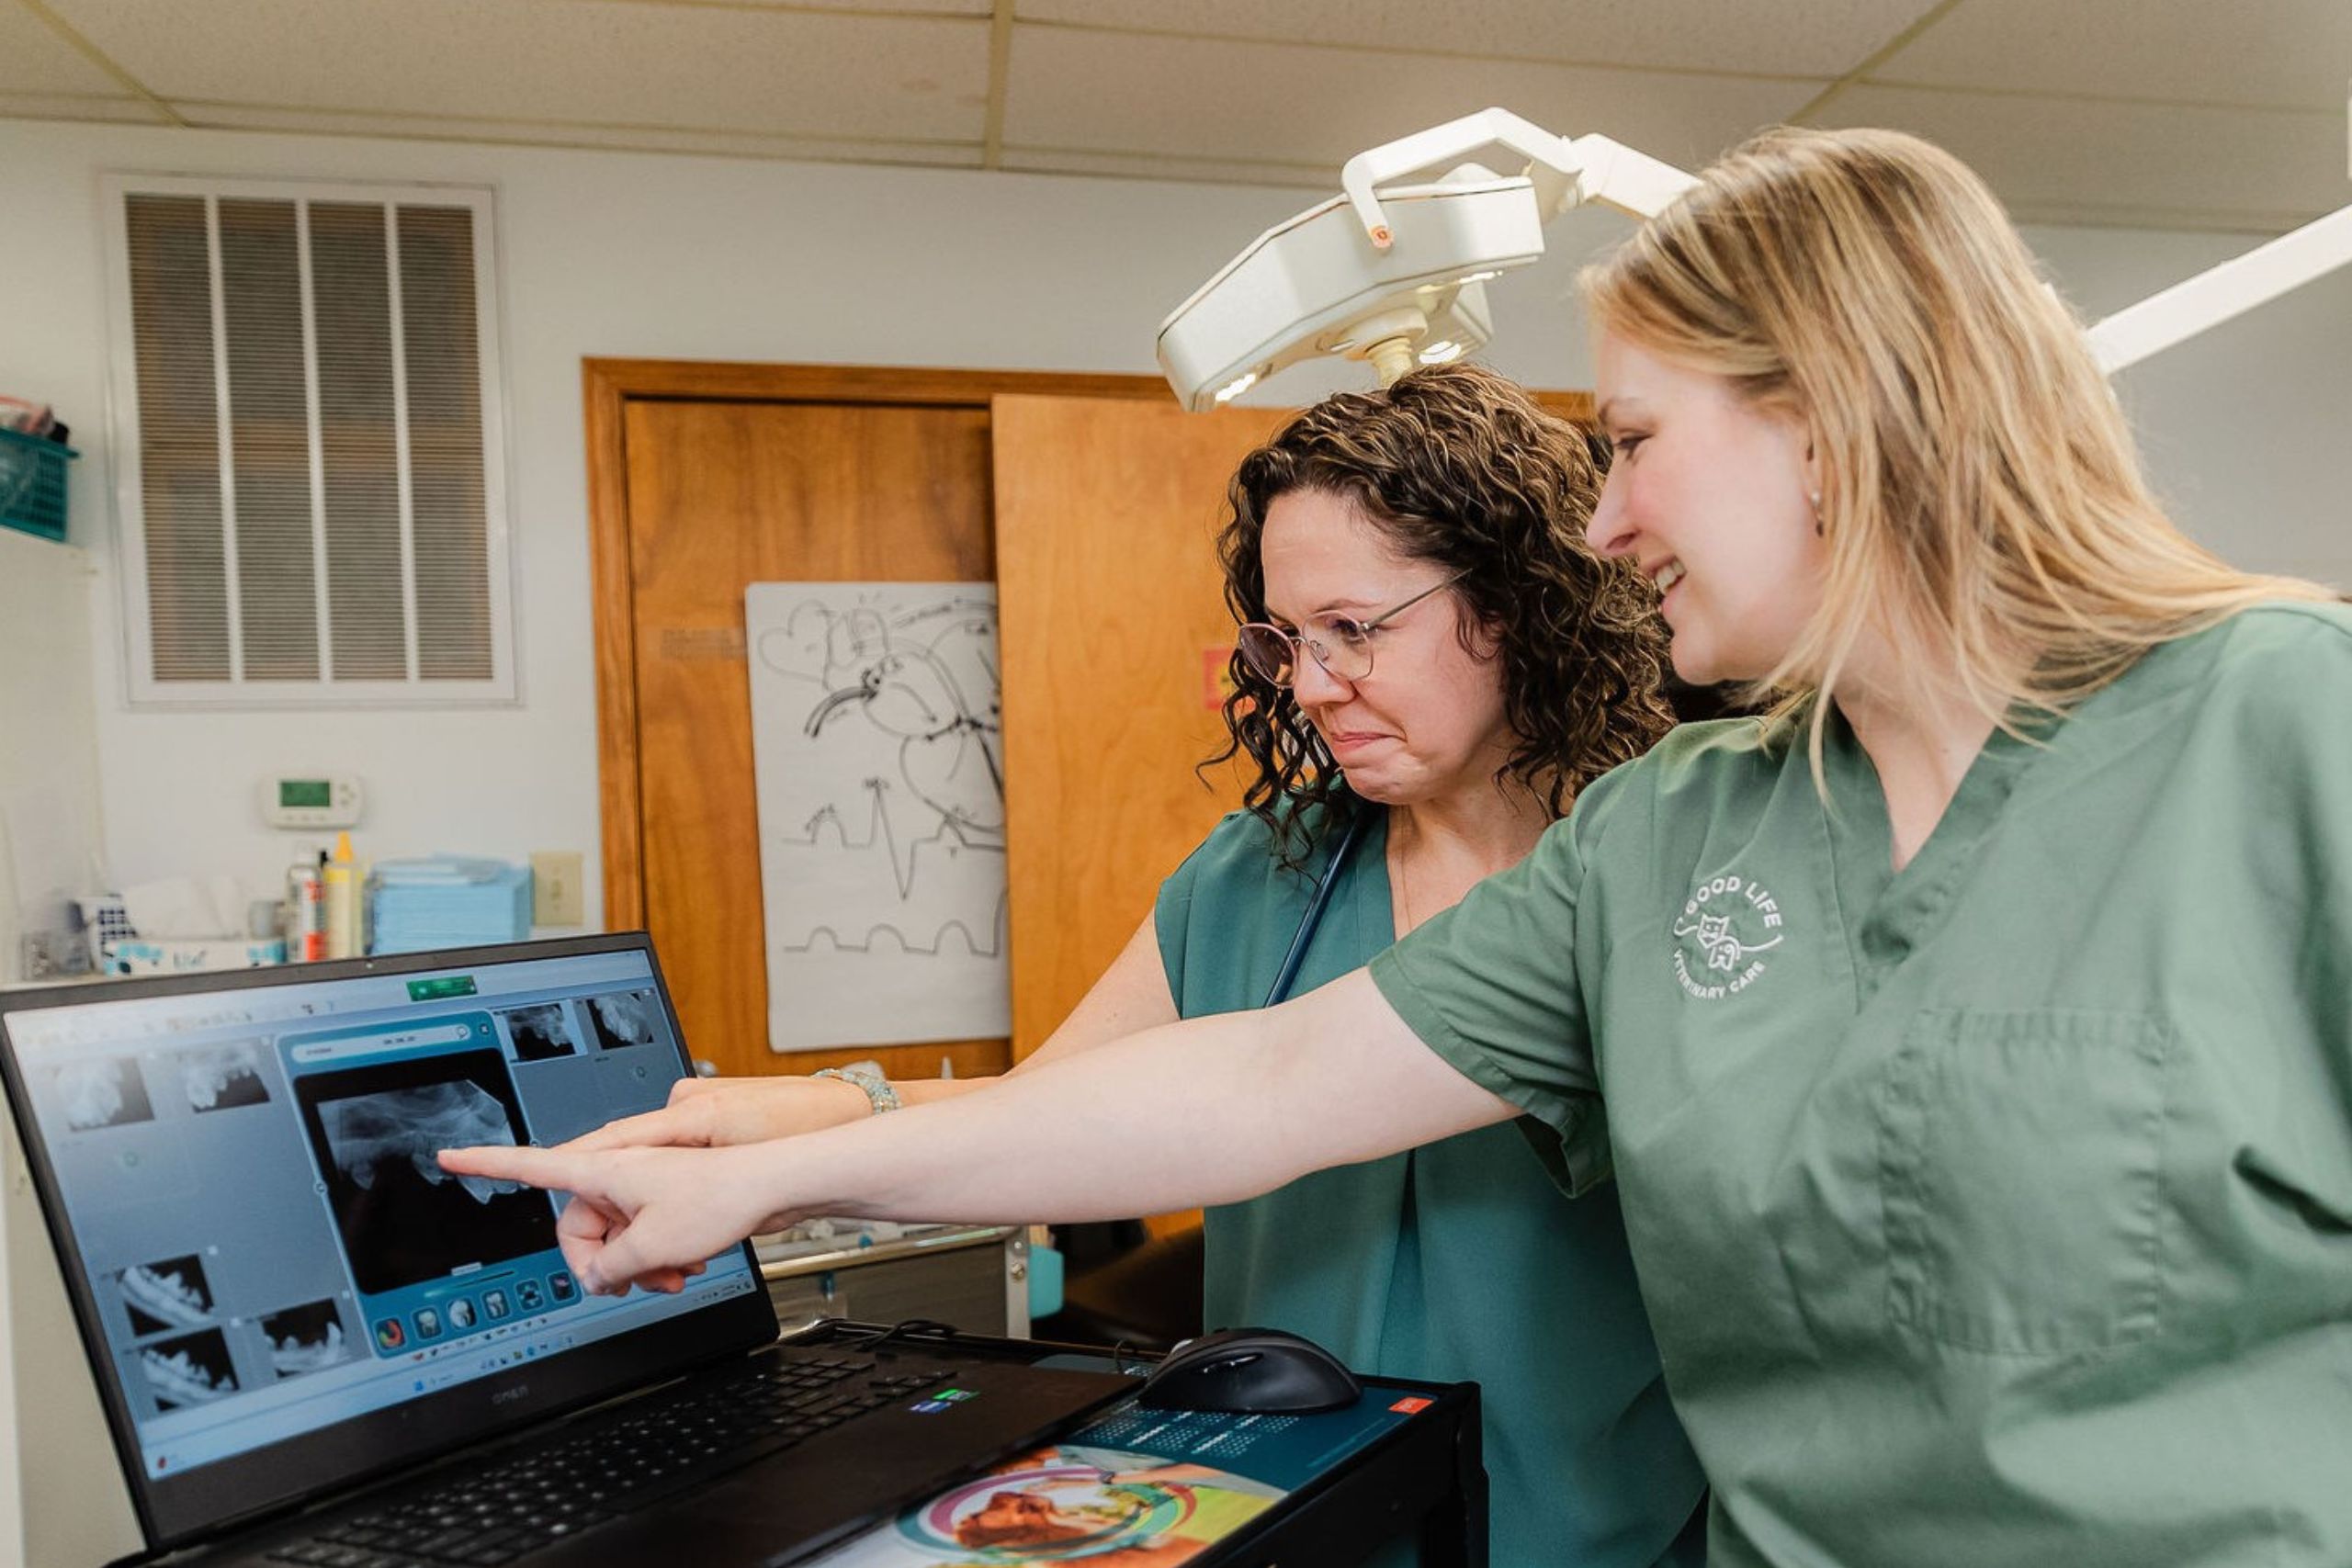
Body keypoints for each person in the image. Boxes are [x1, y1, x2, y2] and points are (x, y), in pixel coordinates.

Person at [448, 126, 2352, 1566]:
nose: (1603, 521)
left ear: (1831, 423)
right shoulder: (1681, 833)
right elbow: (1261, 1078)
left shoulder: (2281, 721)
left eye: (1628, 441)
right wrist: (773, 1180)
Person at [560, 364, 1707, 1566]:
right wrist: (782, 1128)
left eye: (1356, 630)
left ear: (1519, 602)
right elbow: (1050, 1116)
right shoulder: (1261, 873)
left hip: (1586, 1536)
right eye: (1286, 639)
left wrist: (798, 1164)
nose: (1313, 686)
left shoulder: (1654, 870)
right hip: (1291, 1517)